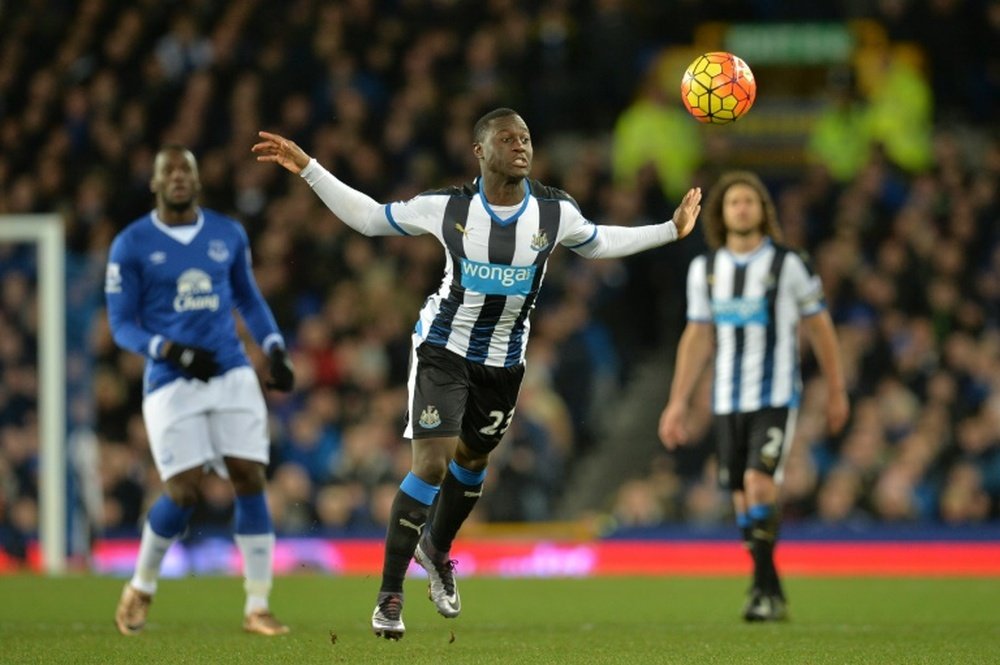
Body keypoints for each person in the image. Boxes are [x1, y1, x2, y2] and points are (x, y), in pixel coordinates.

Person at [252, 107, 702, 640]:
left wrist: (670, 230)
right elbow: (372, 218)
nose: (521, 145)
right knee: (433, 464)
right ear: (480, 151)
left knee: (472, 464)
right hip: (444, 345)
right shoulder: (447, 207)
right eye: (507, 138)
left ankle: (437, 549)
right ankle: (389, 596)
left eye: (527, 137)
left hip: (505, 361)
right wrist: (309, 168)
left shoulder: (555, 212)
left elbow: (601, 242)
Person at [106, 145, 295, 637]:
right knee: (184, 491)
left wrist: (274, 348)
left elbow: (248, 298)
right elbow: (122, 324)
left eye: (186, 169)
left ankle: (258, 605)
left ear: (197, 179)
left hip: (230, 371)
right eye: (167, 170)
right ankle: (142, 586)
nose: (177, 178)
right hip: (171, 381)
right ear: (154, 182)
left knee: (249, 476)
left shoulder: (226, 233)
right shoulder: (131, 244)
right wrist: (167, 350)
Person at [657, 170, 849, 622]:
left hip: (776, 394)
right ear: (721, 214)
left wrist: (837, 389)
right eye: (733, 202)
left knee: (760, 482)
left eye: (749, 201)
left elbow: (820, 326)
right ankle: (769, 586)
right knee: (742, 499)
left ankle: (762, 591)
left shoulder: (789, 263)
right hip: (726, 399)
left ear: (764, 210)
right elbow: (698, 336)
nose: (742, 208)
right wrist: (677, 400)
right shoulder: (704, 270)